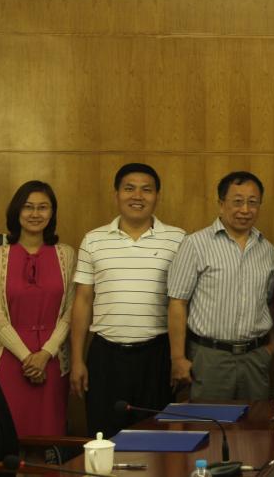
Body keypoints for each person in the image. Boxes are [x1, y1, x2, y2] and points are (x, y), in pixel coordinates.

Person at [69, 163, 186, 438]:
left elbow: (183, 301)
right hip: (105, 357)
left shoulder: (178, 239)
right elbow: (83, 301)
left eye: (147, 190)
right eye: (129, 188)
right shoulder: (93, 239)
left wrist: (179, 357)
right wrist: (76, 359)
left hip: (157, 356)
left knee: (158, 438)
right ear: (116, 194)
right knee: (105, 437)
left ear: (157, 196)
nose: (138, 196)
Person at [167, 171, 274, 402]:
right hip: (210, 357)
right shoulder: (195, 244)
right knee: (211, 421)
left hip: (255, 357)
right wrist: (178, 358)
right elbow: (178, 302)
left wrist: (271, 345)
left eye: (253, 202)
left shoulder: (266, 248)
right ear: (221, 204)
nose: (245, 209)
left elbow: (268, 301)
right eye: (237, 201)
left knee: (255, 422)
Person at [0, 180, 76, 436]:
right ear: (17, 211)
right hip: (8, 360)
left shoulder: (66, 255)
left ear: (52, 213)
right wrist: (28, 359)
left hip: (53, 361)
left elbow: (71, 312)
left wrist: (45, 354)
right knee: (8, 439)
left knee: (50, 437)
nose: (35, 213)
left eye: (43, 207)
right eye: (28, 207)